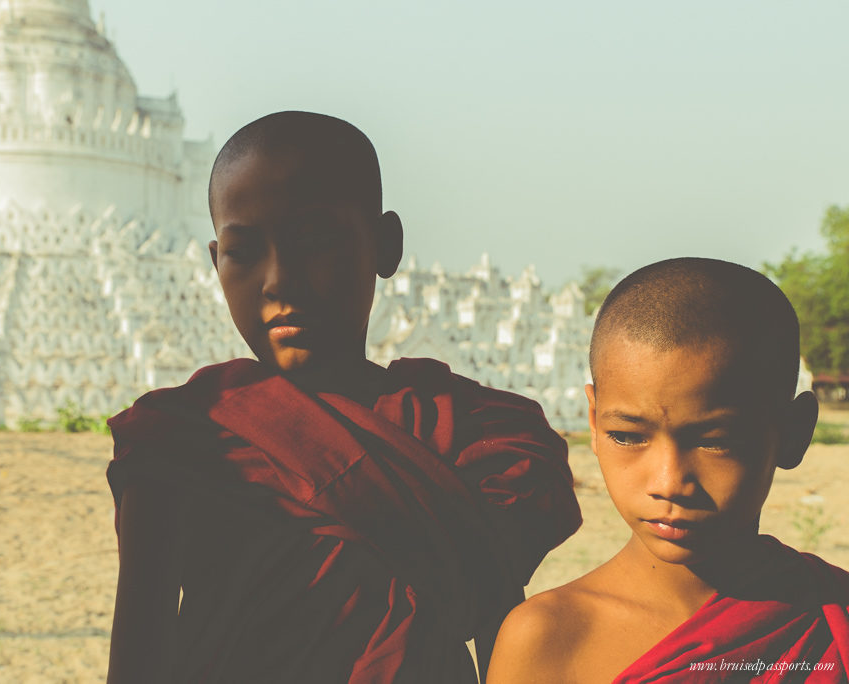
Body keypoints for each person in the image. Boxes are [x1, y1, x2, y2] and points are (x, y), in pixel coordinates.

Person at [105, 111, 581, 683]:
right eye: (244, 252)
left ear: (385, 245)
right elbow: (139, 660)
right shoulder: (186, 438)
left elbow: (498, 636)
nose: (279, 280)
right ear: (215, 264)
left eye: (314, 240)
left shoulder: (480, 436)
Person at [487, 257, 849, 683]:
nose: (668, 483)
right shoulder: (549, 638)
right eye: (626, 436)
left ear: (793, 434)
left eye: (716, 441)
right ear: (594, 418)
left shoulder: (833, 617)